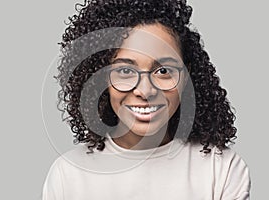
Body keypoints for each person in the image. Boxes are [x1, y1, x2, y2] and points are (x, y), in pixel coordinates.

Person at [42, 0, 251, 199]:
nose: (145, 90)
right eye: (125, 70)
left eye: (163, 70)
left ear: (186, 76)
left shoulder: (221, 170)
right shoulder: (68, 175)